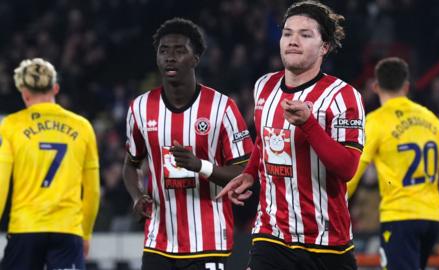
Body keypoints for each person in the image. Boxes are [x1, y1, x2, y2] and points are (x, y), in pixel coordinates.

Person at [218, 2, 364, 269]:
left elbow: (347, 168)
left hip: (328, 242)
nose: (293, 41)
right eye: (287, 33)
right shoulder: (264, 86)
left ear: (324, 47)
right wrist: (250, 173)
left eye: (305, 35)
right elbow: (264, 139)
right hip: (272, 237)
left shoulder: (343, 97)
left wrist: (309, 124)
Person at [122, 18, 253, 270]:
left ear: (195, 59)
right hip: (157, 242)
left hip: (208, 241)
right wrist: (137, 197)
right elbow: (131, 164)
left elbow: (245, 172)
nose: (170, 57)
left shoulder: (221, 107)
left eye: (179, 51)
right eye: (163, 51)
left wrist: (199, 165)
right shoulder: (139, 108)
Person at [347, 57, 439, 270]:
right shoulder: (430, 119)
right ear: (406, 86)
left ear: (375, 86)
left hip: (400, 217)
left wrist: (333, 205)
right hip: (431, 219)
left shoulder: (376, 121)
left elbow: (355, 166)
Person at [0, 58, 100, 270]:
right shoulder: (82, 127)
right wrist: (86, 233)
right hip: (67, 231)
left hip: (25, 228)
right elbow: (92, 191)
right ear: (55, 88)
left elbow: (0, 185)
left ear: (24, 93)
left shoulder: (10, 126)